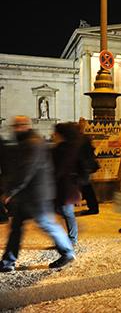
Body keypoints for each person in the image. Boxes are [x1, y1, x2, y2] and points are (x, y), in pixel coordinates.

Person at [1, 116, 75, 272]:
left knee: (47, 224)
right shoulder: (30, 142)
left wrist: (11, 191)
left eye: (18, 126)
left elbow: (26, 171)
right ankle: (8, 262)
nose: (15, 129)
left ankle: (67, 251)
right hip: (32, 194)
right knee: (17, 228)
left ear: (25, 126)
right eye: (14, 126)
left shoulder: (32, 143)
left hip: (36, 195)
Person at [52, 122, 82, 246]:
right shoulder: (68, 148)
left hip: (65, 187)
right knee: (64, 212)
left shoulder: (62, 149)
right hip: (67, 186)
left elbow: (59, 169)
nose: (52, 135)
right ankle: (69, 238)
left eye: (55, 133)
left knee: (67, 212)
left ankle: (71, 239)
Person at [77, 118, 100, 216]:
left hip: (83, 166)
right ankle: (93, 206)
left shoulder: (81, 139)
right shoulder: (84, 138)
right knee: (85, 186)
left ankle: (93, 207)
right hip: (85, 166)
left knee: (86, 186)